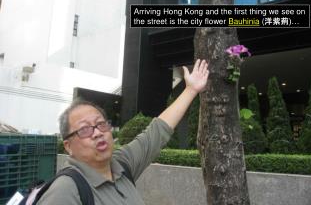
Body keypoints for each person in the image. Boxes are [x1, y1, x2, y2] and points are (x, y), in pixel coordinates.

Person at [36, 59, 209, 205]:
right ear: (68, 146)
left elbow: (155, 132)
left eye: (101, 124)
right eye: (84, 129)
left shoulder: (121, 164)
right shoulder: (65, 191)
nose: (97, 133)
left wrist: (190, 90)